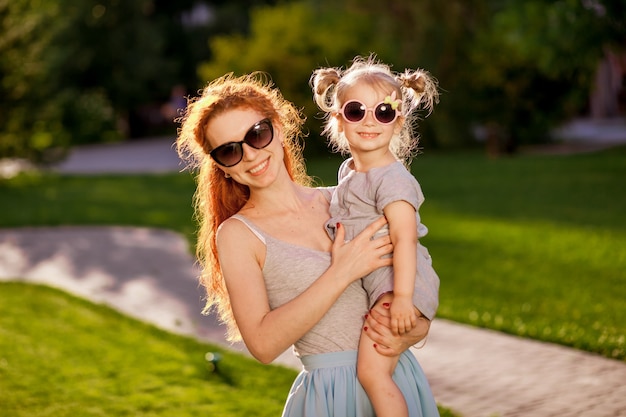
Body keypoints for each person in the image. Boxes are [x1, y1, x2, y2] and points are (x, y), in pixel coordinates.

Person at [176, 72, 439, 417]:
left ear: (279, 129)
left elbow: (410, 269)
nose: (251, 155)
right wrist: (341, 272)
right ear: (221, 166)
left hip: (396, 380)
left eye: (257, 134)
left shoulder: (344, 200)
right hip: (331, 397)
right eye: (229, 151)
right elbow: (264, 345)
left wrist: (415, 328)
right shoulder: (238, 235)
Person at [310, 55, 440, 417]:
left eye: (383, 112)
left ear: (397, 122)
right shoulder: (350, 170)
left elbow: (406, 239)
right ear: (338, 120)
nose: (370, 121)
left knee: (371, 372)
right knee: (378, 370)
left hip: (397, 283)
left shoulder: (393, 180)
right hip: (382, 283)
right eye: (356, 111)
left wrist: (401, 298)